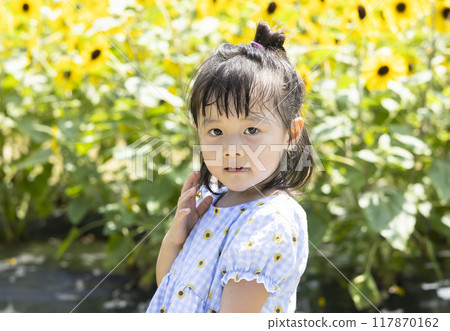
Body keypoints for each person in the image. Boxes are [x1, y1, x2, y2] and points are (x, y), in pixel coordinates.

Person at [146, 20, 314, 313]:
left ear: (290, 134)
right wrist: (177, 237)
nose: (231, 149)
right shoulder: (212, 201)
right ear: (198, 130)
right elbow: (169, 290)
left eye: (251, 130)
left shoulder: (270, 220)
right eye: (216, 132)